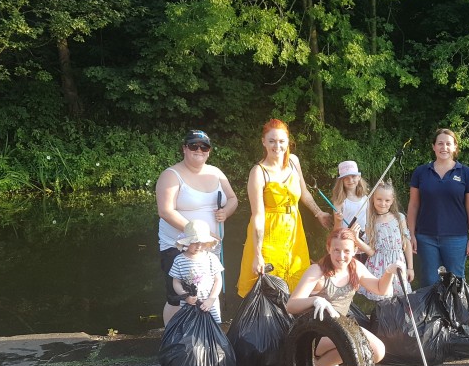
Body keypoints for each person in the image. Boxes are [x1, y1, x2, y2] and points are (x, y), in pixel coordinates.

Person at [286, 228, 404, 366]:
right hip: (314, 335)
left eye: (346, 251)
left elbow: (380, 289)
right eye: (336, 250)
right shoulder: (317, 271)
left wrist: (389, 272)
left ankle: (327, 361)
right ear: (328, 248)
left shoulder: (355, 267)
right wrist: (315, 299)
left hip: (339, 328)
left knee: (378, 351)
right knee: (353, 343)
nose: (341, 257)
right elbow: (291, 305)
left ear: (355, 250)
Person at [237, 119, 333, 297]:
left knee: (297, 280)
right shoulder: (258, 172)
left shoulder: (294, 162)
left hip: (294, 232)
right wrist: (258, 254)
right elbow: (257, 216)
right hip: (269, 234)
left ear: (288, 141)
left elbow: (304, 193)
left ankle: (293, 322)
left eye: (281, 141)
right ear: (263, 142)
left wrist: (318, 213)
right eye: (272, 141)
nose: (277, 146)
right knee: (270, 285)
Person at [157, 130, 238, 326]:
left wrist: (226, 211)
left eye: (204, 147)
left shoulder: (216, 172)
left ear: (209, 151)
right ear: (184, 148)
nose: (199, 150)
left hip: (210, 248)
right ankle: (173, 339)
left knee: (209, 291)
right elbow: (165, 211)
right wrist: (198, 233)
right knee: (180, 295)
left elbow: (234, 199)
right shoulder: (171, 175)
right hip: (179, 247)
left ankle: (207, 335)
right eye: (193, 146)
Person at [407, 128, 469, 287]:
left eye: (448, 144)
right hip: (426, 237)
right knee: (428, 282)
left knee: (456, 283)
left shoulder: (466, 173)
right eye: (440, 143)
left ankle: (455, 312)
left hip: (457, 238)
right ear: (433, 147)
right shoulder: (421, 172)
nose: (444, 147)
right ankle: (431, 313)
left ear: (455, 147)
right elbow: (413, 205)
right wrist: (410, 234)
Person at [356, 181, 414, 299]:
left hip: (397, 262)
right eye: (379, 199)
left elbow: (407, 243)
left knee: (401, 298)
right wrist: (356, 239)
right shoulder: (371, 222)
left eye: (387, 200)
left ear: (392, 200)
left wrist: (410, 268)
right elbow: (371, 251)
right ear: (373, 199)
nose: (383, 203)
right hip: (378, 265)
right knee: (382, 298)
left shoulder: (399, 218)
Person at [169, 220, 225, 323]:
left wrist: (211, 299)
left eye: (202, 243)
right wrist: (185, 296)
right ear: (186, 242)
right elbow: (176, 281)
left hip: (209, 304)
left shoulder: (211, 258)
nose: (199, 246)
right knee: (189, 329)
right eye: (195, 242)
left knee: (213, 328)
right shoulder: (179, 260)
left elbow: (218, 280)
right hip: (189, 304)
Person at [331, 160, 370, 232]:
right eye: (346, 177)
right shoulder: (339, 201)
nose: (350, 180)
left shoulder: (365, 198)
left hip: (364, 239)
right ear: (341, 180)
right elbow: (336, 230)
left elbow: (370, 221)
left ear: (359, 177)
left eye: (353, 176)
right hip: (347, 239)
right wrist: (338, 220)